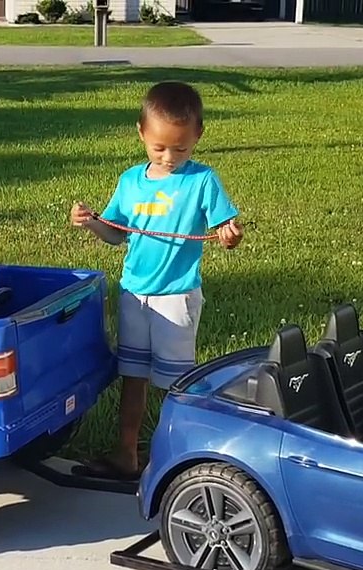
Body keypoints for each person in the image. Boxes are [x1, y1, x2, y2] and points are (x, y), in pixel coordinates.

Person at [69, 80, 243, 480]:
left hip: (176, 298)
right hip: (134, 294)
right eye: (159, 147)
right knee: (133, 377)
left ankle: (177, 460)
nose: (169, 157)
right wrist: (92, 222)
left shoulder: (202, 181)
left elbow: (225, 231)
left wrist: (231, 236)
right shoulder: (131, 181)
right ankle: (126, 455)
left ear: (197, 136)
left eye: (180, 148)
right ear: (141, 133)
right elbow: (117, 233)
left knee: (177, 385)